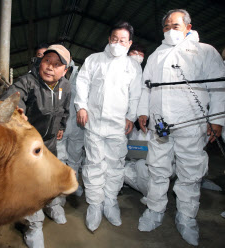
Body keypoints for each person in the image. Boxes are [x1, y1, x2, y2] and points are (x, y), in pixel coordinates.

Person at [137, 9, 225, 246]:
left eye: (175, 26)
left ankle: (186, 217)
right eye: (166, 27)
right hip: (160, 123)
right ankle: (155, 210)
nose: (169, 30)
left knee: (190, 172)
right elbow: (146, 86)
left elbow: (219, 86)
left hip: (192, 123)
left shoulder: (204, 51)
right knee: (157, 168)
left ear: (188, 27)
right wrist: (142, 112)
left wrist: (217, 120)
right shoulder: (157, 54)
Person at [0, 44, 71, 248]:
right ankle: (33, 227)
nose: (50, 67)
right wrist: (15, 111)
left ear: (64, 71)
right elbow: (13, 97)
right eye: (47, 61)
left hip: (49, 142)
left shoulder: (65, 86)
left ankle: (52, 205)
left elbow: (64, 109)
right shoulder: (28, 82)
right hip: (27, 146)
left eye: (57, 64)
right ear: (40, 62)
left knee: (50, 179)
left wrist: (62, 125)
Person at [74, 21, 143, 232]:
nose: (117, 43)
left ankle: (110, 201)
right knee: (94, 162)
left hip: (118, 124)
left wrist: (131, 116)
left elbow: (136, 93)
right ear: (108, 39)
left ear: (129, 43)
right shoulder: (94, 60)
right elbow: (82, 83)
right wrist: (81, 107)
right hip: (94, 121)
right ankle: (94, 204)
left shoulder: (133, 66)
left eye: (122, 40)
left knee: (115, 164)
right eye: (114, 39)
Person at [56, 59, 85, 197]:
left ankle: (74, 185)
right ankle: (61, 188)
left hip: (78, 125)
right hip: (60, 124)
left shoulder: (81, 76)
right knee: (60, 158)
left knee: (75, 157)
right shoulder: (55, 77)